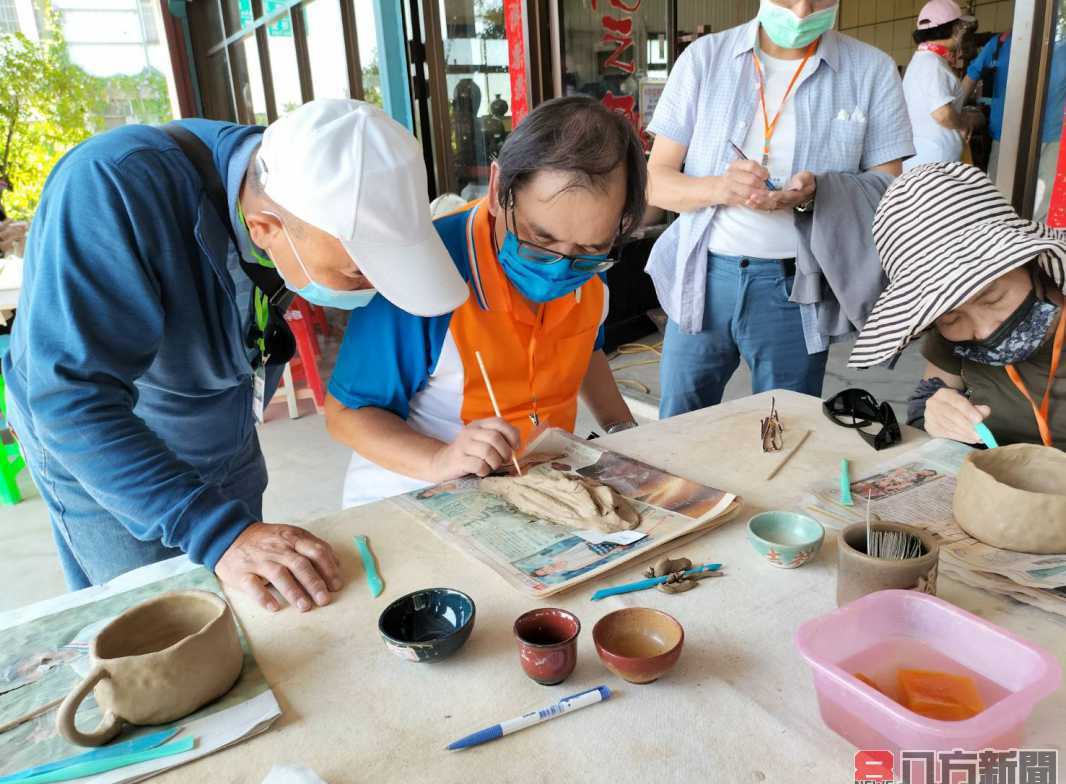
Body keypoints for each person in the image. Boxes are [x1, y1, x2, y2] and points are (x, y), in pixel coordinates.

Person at [2, 99, 468, 611]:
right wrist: (215, 531)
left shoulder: (290, 171)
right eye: (357, 272)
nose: (372, 289)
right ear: (266, 227)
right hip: (106, 442)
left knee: (245, 598)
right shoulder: (113, 186)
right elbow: (69, 398)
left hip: (223, 412)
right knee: (160, 619)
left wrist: (233, 534)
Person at [325, 96, 644, 507]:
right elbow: (347, 414)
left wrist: (622, 431)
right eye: (539, 240)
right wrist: (441, 459)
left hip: (533, 486)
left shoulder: (591, 273)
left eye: (588, 249)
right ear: (498, 190)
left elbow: (587, 349)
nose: (558, 270)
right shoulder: (423, 272)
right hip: (416, 491)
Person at [645, 0, 914, 418]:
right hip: (703, 275)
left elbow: (889, 194)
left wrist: (817, 193)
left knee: (785, 426)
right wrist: (720, 187)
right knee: (679, 417)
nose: (803, 10)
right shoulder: (705, 59)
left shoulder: (871, 70)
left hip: (797, 285)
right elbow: (655, 183)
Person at [848, 162, 1066, 449]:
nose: (985, 330)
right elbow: (931, 395)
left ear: (1030, 264)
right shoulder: (952, 334)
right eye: (951, 318)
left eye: (992, 297)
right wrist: (936, 414)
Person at [960, 28, 1066, 221]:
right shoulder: (1000, 43)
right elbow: (971, 76)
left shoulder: (1062, 44)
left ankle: (1032, 245)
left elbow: (970, 77)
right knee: (999, 200)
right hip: (1006, 135)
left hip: (1052, 137)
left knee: (1041, 205)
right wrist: (954, 115)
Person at [902, 0, 973, 170]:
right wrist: (963, 123)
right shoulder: (932, 63)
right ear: (955, 29)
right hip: (935, 162)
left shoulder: (924, 59)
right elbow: (941, 113)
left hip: (928, 159)